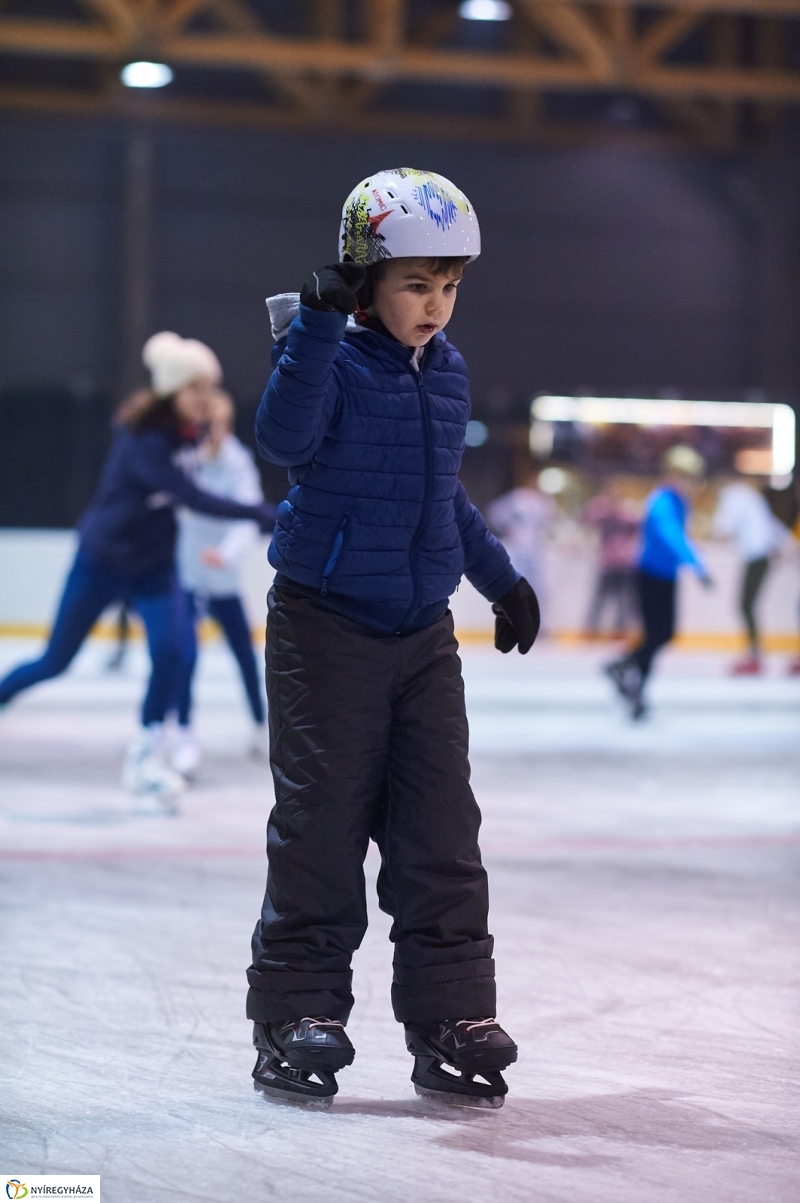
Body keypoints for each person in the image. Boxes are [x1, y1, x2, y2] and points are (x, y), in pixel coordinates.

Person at [246, 169, 541, 1110]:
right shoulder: (323, 353)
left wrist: (502, 581)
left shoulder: (445, 373)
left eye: (449, 285)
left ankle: (450, 1014)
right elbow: (284, 439)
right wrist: (320, 330)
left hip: (421, 635)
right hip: (325, 625)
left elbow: (441, 497)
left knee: (441, 832)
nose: (436, 305)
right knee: (321, 830)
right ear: (365, 278)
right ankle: (299, 1013)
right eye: (418, 284)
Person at [0, 332, 274, 811]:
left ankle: (146, 756)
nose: (206, 399)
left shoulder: (193, 434)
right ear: (171, 392)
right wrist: (263, 514)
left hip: (153, 565)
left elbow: (201, 484)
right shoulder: (144, 439)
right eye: (197, 389)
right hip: (102, 561)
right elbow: (192, 498)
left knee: (171, 652)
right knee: (55, 660)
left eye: (211, 388)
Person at [172, 390, 270, 776]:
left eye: (213, 425)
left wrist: (225, 554)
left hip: (223, 579)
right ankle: (181, 732)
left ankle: (261, 727)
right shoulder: (183, 456)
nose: (206, 432)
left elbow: (249, 514)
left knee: (245, 657)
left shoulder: (237, 462)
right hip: (186, 575)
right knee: (184, 657)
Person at [605, 445, 711, 720]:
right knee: (657, 634)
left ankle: (630, 677)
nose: (690, 483)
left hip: (666, 576)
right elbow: (671, 535)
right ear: (672, 474)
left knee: (662, 634)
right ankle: (629, 675)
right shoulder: (661, 501)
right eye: (686, 476)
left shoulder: (678, 501)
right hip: (650, 575)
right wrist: (696, 564)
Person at [712, 479, 790, 675]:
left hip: (756, 557)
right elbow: (771, 524)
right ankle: (754, 653)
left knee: (745, 605)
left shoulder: (733, 496)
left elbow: (724, 527)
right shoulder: (753, 499)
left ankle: (755, 654)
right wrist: (784, 544)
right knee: (747, 605)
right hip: (760, 557)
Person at [487, 474, 554, 619]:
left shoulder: (541, 501)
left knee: (537, 588)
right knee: (516, 585)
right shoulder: (516, 497)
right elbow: (495, 513)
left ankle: (536, 621)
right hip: (517, 548)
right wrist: (507, 529)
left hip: (535, 549)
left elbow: (551, 521)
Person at [581, 480, 641, 638]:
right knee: (600, 598)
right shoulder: (601, 510)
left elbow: (639, 527)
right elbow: (585, 521)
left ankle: (619, 630)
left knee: (623, 600)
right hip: (607, 561)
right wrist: (600, 506)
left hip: (625, 562)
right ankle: (591, 629)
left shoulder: (627, 511)